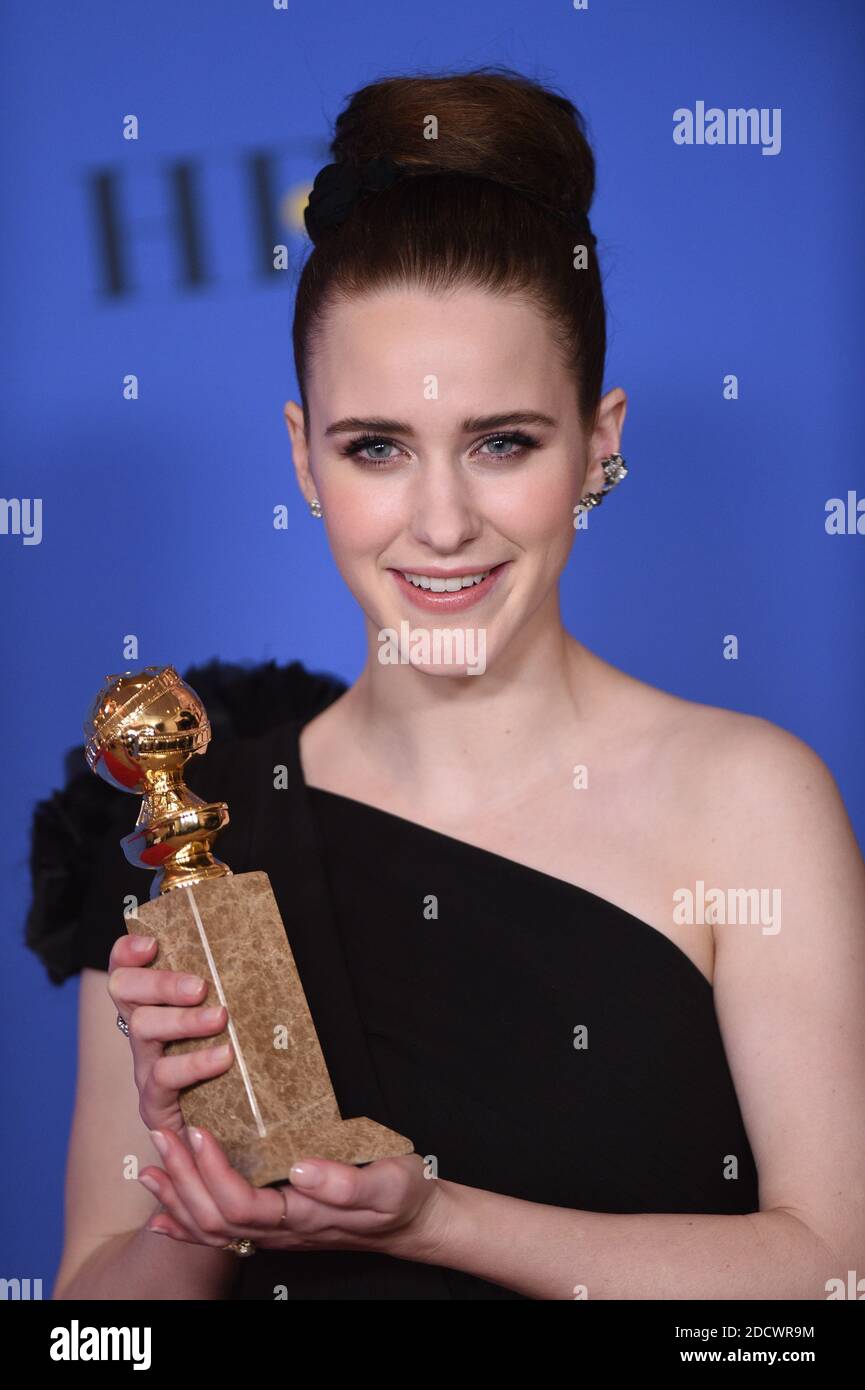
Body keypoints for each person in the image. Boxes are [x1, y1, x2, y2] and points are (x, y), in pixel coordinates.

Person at [26, 67, 865, 1301]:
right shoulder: (184, 827)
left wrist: (433, 1220)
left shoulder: (748, 802)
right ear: (303, 460)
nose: (441, 523)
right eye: (376, 447)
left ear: (600, 442)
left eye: (501, 442)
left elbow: (833, 1278)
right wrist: (200, 1192)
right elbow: (92, 1340)